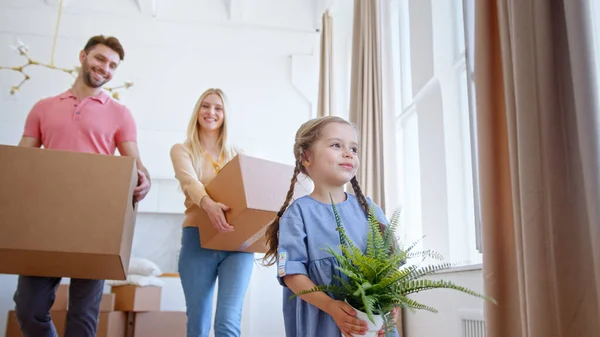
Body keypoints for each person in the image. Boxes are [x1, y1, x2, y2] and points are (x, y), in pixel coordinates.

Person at [13, 35, 151, 337]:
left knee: (83, 316)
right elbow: (21, 161)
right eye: (100, 59)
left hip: (96, 221)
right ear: (83, 56)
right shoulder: (43, 107)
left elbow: (136, 165)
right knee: (28, 306)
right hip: (45, 220)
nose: (105, 68)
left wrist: (144, 180)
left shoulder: (120, 113)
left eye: (113, 65)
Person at [262, 116, 399, 337]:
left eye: (353, 148)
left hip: (375, 326)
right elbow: (291, 274)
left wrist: (392, 301)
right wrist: (330, 306)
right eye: (336, 145)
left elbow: (392, 265)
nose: (348, 153)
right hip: (322, 323)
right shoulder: (298, 214)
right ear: (306, 157)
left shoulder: (370, 210)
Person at [170, 88, 254, 337]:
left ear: (225, 115)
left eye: (218, 108)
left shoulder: (238, 154)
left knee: (228, 322)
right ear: (197, 112)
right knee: (198, 322)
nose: (211, 112)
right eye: (206, 106)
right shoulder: (182, 150)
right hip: (198, 240)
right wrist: (207, 204)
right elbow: (190, 183)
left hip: (237, 243)